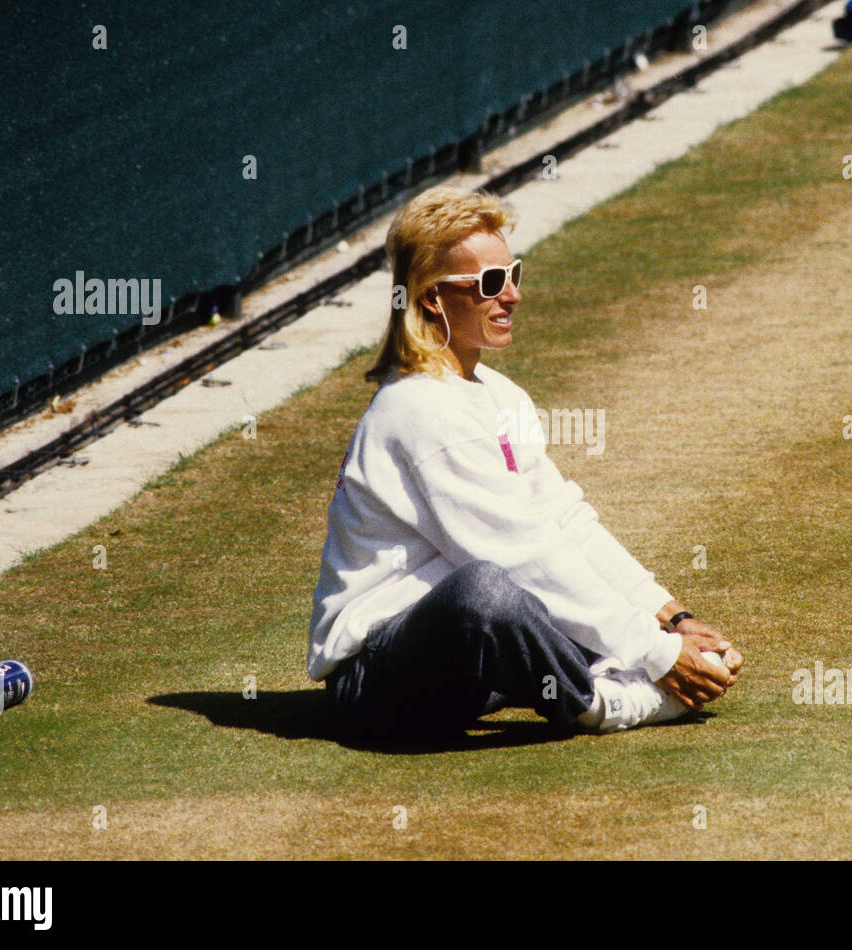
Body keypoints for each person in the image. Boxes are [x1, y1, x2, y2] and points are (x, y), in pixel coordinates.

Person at [307, 185, 743, 741]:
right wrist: (658, 655)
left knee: (538, 589)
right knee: (486, 590)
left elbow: (564, 522)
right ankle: (604, 702)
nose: (512, 295)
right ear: (433, 298)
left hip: (466, 669)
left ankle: (597, 669)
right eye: (490, 282)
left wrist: (673, 620)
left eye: (513, 274)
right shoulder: (419, 411)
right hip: (376, 683)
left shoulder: (499, 393)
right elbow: (522, 555)